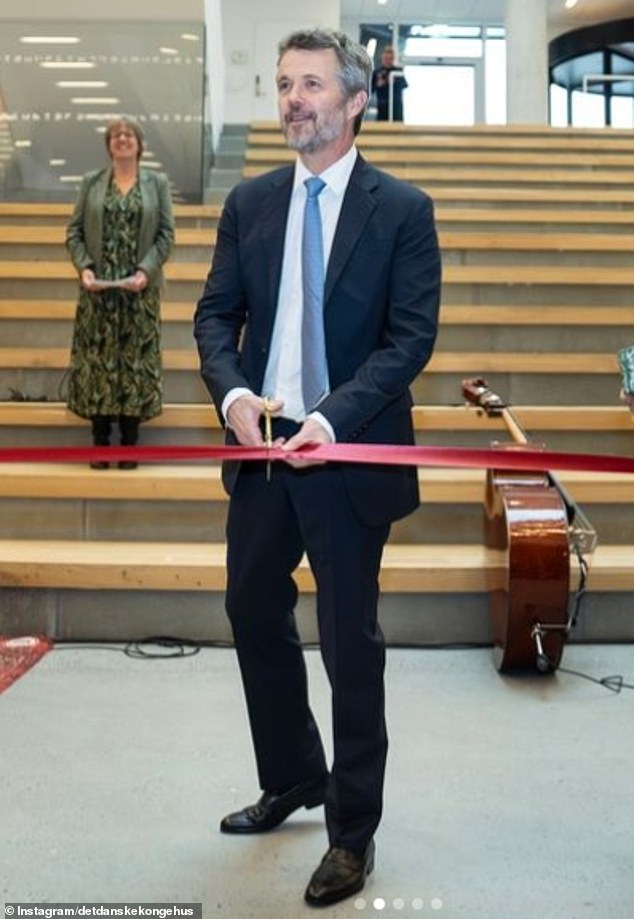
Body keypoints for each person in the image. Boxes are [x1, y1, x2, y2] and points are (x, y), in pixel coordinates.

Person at [194, 28, 441, 908]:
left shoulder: (402, 209)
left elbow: (408, 340)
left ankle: (352, 828)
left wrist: (330, 417)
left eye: (310, 85)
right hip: (262, 448)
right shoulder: (252, 201)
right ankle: (295, 772)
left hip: (346, 450)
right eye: (283, 84)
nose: (293, 99)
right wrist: (233, 399)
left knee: (348, 644)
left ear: (355, 100)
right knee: (250, 605)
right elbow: (215, 318)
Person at [65, 116, 175, 469]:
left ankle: (129, 444)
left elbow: (166, 235)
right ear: (109, 144)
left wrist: (146, 270)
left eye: (129, 134)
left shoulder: (156, 184)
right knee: (98, 366)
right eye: (116, 135)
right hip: (98, 294)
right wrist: (84, 266)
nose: (123, 139)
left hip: (138, 293)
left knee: (135, 366)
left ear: (139, 144)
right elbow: (75, 232)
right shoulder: (91, 183)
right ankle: (100, 443)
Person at [371, 45, 408, 121]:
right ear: (382, 58)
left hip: (396, 107)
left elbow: (404, 85)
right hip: (382, 107)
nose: (387, 61)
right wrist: (378, 84)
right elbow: (371, 89)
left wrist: (394, 82)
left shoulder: (398, 71)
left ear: (393, 59)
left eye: (390, 58)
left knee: (398, 129)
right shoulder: (377, 72)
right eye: (386, 58)